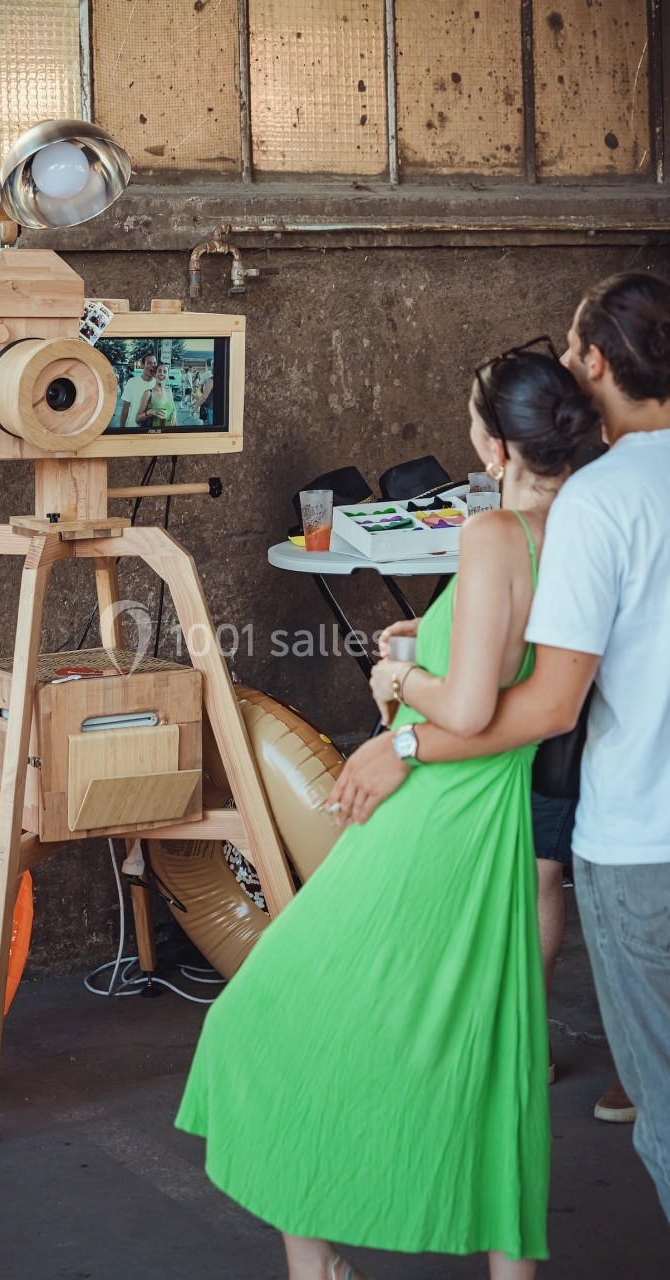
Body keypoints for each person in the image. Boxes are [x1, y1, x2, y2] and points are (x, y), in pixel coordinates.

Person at [177, 346, 600, 1279]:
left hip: (430, 811)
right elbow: (516, 670)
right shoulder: (585, 531)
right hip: (490, 817)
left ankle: (315, 1264)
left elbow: (471, 706)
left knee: (265, 1011)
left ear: (493, 446)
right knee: (487, 1048)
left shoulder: (495, 533)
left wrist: (401, 675)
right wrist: (434, 640)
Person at [337, 272, 670, 1224]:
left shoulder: (600, 501)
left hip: (645, 837)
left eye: (572, 351)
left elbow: (547, 705)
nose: (567, 370)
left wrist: (402, 737)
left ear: (598, 361)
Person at [119, 350, 156, 429]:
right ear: (142, 365)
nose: (153, 365)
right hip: (132, 429)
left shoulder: (158, 384)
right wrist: (121, 429)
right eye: (149, 363)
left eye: (154, 363)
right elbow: (125, 409)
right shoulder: (132, 382)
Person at [136, 362, 177, 429]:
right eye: (159, 371)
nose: (162, 374)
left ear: (168, 376)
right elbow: (137, 419)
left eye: (165, 372)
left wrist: (174, 414)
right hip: (155, 435)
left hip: (170, 434)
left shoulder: (169, 391)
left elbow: (174, 409)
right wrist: (150, 412)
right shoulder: (148, 393)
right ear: (155, 375)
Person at [193, 359, 213, 424]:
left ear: (207, 365)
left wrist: (195, 408)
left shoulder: (209, 377)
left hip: (210, 404)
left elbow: (204, 395)